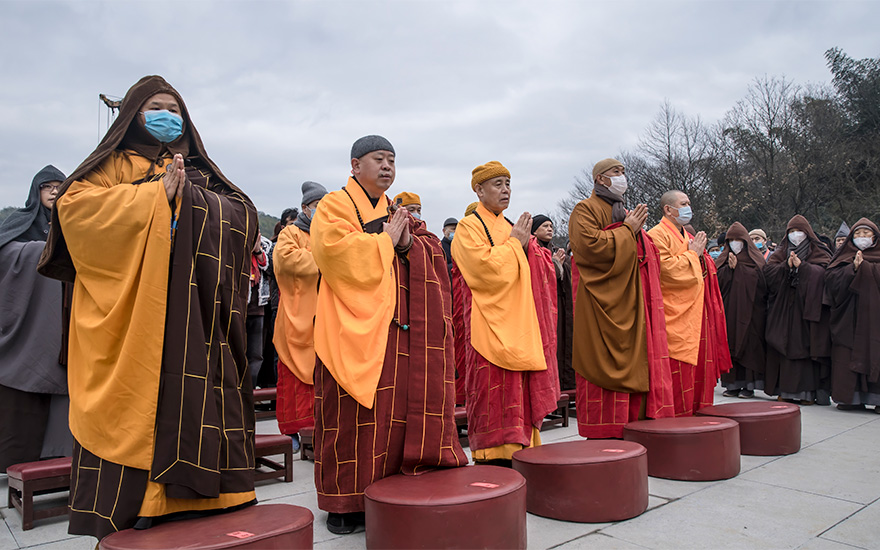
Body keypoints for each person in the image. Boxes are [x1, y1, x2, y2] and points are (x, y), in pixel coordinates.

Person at [37, 75, 258, 539]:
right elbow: (75, 211)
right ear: (132, 115)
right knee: (142, 404)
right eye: (156, 106)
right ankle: (140, 505)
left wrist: (193, 199)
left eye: (174, 109)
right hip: (137, 315)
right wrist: (157, 196)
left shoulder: (198, 168)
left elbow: (242, 212)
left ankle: (211, 497)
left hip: (195, 315)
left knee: (201, 393)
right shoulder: (111, 165)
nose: (167, 116)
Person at [310, 136, 467, 534]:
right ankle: (344, 504)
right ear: (354, 165)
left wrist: (408, 243)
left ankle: (384, 493)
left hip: (394, 327)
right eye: (378, 159)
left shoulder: (394, 209)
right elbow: (332, 251)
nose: (387, 167)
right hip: (348, 324)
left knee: (389, 414)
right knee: (348, 415)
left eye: (392, 161)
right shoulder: (334, 205)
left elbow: (428, 246)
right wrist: (385, 241)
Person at [451, 161, 559, 464]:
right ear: (479, 189)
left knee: (518, 393)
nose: (505, 189)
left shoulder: (510, 225)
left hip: (520, 323)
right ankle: (493, 456)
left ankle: (525, 449)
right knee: (493, 392)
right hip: (489, 325)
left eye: (508, 183)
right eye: (497, 184)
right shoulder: (468, 226)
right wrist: (516, 246)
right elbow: (482, 269)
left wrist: (526, 247)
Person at [568, 158, 674, 438]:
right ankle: (604, 431)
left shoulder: (623, 211)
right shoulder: (584, 209)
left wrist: (633, 232)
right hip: (600, 302)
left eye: (624, 172)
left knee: (638, 358)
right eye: (616, 172)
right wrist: (627, 230)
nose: (622, 177)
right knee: (600, 359)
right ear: (600, 179)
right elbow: (589, 248)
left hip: (630, 300)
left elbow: (643, 251)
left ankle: (636, 425)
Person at [0, 165, 72, 472]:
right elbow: (6, 254)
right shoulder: (18, 222)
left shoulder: (74, 223)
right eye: (48, 187)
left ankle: (59, 458)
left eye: (59, 186)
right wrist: (40, 254)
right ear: (36, 191)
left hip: (64, 322)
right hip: (32, 323)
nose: (54, 191)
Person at [648, 190, 731, 416]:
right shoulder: (657, 235)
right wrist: (693, 255)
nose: (688, 207)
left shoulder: (688, 236)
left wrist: (699, 257)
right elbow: (665, 271)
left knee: (698, 372)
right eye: (683, 203)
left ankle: (699, 417)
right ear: (668, 209)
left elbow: (705, 271)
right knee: (677, 373)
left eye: (689, 203)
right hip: (673, 314)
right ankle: (675, 422)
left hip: (695, 312)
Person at [273, 181, 327, 452]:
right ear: (306, 208)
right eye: (318, 206)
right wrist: (323, 257)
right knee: (294, 375)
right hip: (297, 314)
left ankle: (323, 427)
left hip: (325, 315)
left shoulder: (330, 232)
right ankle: (293, 431)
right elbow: (286, 262)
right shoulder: (290, 233)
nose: (322, 211)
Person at [763, 215, 833, 405]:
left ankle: (807, 393)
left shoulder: (817, 250)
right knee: (782, 346)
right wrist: (786, 266)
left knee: (805, 348)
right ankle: (783, 390)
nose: (795, 235)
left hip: (807, 310)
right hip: (784, 309)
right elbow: (768, 274)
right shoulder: (781, 251)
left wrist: (804, 268)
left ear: (808, 233)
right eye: (791, 232)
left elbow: (825, 272)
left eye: (799, 231)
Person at [826, 219, 880, 412]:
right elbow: (831, 281)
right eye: (858, 234)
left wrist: (866, 268)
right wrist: (853, 269)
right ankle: (849, 398)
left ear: (875, 237)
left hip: (875, 318)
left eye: (866, 234)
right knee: (845, 355)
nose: (862, 238)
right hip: (847, 317)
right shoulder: (844, 256)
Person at [715, 222, 767, 399]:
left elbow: (762, 283)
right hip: (729, 312)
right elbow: (716, 284)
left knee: (749, 347)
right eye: (732, 240)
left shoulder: (755, 259)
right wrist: (728, 271)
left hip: (751, 313)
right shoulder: (722, 259)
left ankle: (748, 386)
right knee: (729, 344)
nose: (735, 243)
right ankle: (731, 385)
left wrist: (740, 269)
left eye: (739, 240)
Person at [531, 215, 575, 391]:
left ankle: (565, 384)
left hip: (562, 303)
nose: (550, 229)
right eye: (545, 226)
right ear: (534, 230)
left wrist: (564, 261)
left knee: (565, 340)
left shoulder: (555, 249)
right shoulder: (533, 250)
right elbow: (542, 275)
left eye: (551, 226)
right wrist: (555, 263)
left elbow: (567, 274)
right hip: (545, 304)